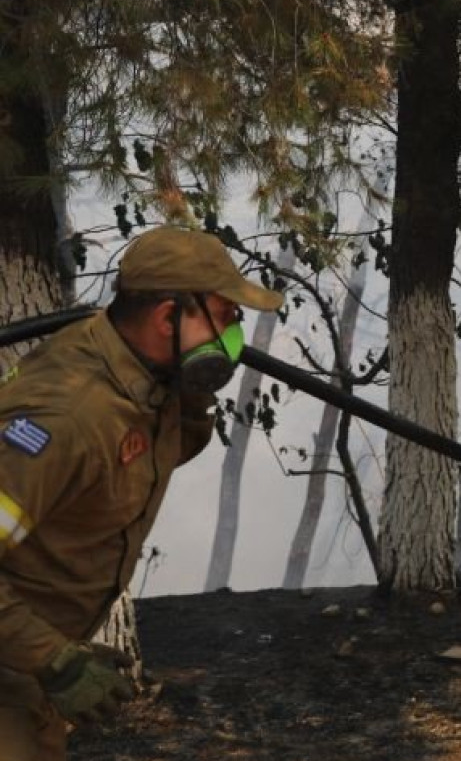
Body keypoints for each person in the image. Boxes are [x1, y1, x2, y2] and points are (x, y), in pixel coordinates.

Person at [0, 227, 283, 760]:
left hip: (29, 668)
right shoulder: (67, 416)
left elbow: (157, 457)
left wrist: (194, 392)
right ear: (166, 318)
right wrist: (54, 659)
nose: (234, 332)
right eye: (223, 316)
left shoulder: (142, 374)